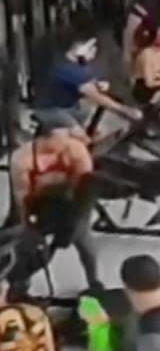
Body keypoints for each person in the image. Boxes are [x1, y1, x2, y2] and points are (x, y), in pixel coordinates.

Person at [7, 112, 102, 298]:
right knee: (26, 247)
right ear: (46, 138)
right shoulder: (22, 159)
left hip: (69, 202)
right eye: (63, 138)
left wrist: (75, 222)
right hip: (36, 203)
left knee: (85, 242)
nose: (67, 142)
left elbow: (84, 189)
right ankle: (20, 285)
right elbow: (21, 196)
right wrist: (29, 226)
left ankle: (94, 281)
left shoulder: (75, 150)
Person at [38, 19, 143, 127]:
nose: (94, 51)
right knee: (81, 138)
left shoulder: (76, 64)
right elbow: (96, 96)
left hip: (70, 106)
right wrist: (125, 110)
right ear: (77, 47)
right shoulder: (70, 70)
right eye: (90, 47)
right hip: (53, 110)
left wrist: (97, 83)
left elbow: (90, 81)